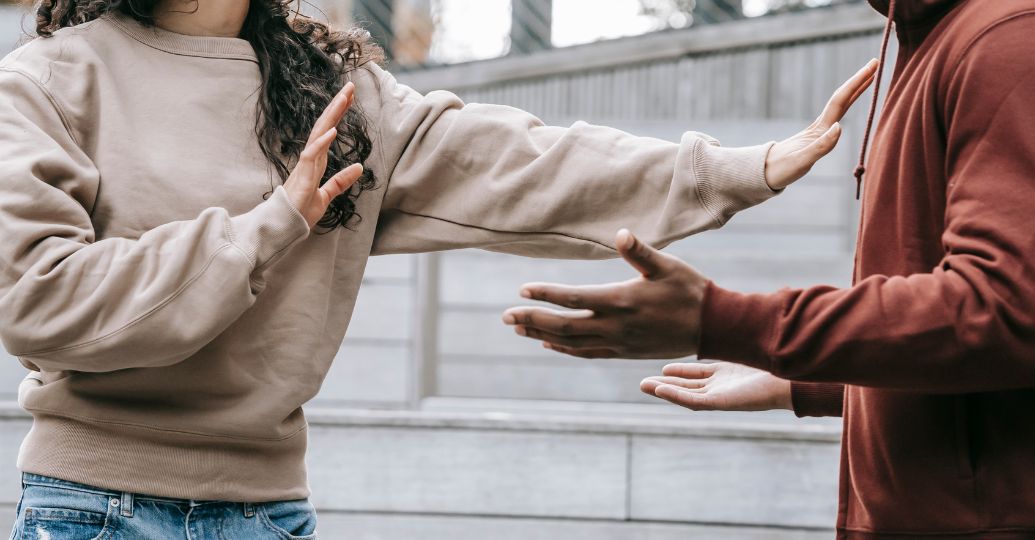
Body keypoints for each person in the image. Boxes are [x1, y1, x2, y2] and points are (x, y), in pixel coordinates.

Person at [0, 0, 876, 537]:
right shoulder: (48, 81)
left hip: (268, 512)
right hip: (93, 510)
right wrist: (270, 227)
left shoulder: (336, 94)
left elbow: (523, 163)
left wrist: (735, 169)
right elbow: (38, 299)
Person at [504, 0, 1035, 537]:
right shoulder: (937, 35)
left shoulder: (1006, 39)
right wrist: (806, 381)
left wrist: (730, 322)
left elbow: (1003, 311)